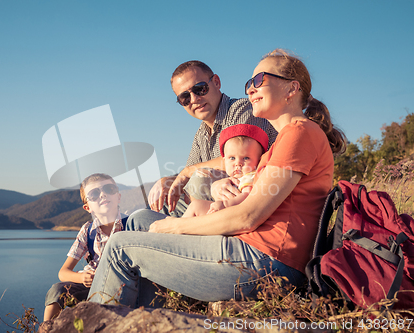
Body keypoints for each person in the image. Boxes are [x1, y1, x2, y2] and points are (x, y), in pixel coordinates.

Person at [87, 49, 346, 307]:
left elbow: (248, 216)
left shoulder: (299, 133)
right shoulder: (285, 141)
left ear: (292, 88)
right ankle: (143, 315)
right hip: (253, 251)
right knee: (141, 220)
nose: (250, 89)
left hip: (268, 261)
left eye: (259, 81)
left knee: (120, 246)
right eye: (248, 83)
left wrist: (173, 227)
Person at [148, 60, 277, 216]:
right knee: (157, 203)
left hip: (247, 200)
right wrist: (168, 180)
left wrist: (187, 172)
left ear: (216, 82)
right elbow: (188, 174)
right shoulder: (201, 134)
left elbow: (241, 160)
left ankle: (190, 231)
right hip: (214, 202)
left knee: (198, 181)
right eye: (185, 97)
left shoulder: (242, 110)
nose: (194, 99)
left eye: (199, 89)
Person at [43, 173, 126, 321]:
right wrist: (82, 277)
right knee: (57, 290)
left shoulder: (131, 224)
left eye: (109, 189)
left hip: (121, 284)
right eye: (94, 194)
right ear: (88, 207)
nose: (103, 195)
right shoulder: (88, 230)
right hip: (90, 284)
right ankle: (46, 329)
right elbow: (63, 272)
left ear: (118, 196)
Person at [181, 124, 268, 217]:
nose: (238, 163)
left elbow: (246, 196)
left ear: (259, 160)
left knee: (195, 206)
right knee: (195, 205)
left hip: (235, 214)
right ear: (224, 161)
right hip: (226, 211)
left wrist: (225, 204)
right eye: (232, 158)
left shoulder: (249, 177)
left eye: (246, 158)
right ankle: (180, 225)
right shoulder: (235, 178)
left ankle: (179, 226)